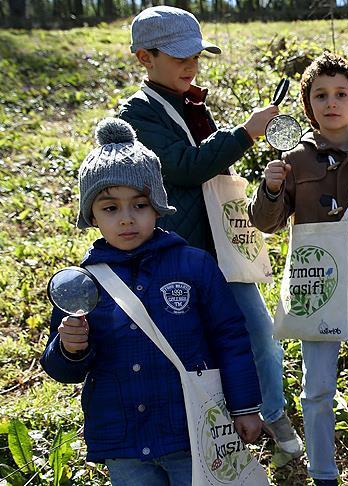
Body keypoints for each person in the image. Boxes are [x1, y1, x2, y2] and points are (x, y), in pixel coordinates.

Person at [115, 6, 302, 456]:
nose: (191, 66)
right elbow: (183, 166)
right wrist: (244, 133)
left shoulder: (191, 104)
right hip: (179, 251)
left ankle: (272, 412)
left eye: (196, 56)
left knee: (259, 332)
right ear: (145, 58)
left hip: (223, 244)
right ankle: (216, 431)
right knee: (196, 345)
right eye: (180, 57)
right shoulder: (137, 114)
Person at [40, 118, 263, 485]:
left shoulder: (194, 265)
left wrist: (244, 407)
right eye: (110, 208)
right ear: (91, 215)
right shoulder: (83, 282)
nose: (127, 219)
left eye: (139, 205)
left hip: (192, 431)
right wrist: (70, 348)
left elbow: (231, 338)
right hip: (123, 440)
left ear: (158, 205)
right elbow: (64, 369)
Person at [248, 52, 348, 486]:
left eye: (341, 93)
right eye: (320, 95)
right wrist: (270, 187)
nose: (332, 102)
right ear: (308, 106)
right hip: (316, 286)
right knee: (317, 385)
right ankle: (323, 469)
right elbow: (266, 222)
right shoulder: (294, 160)